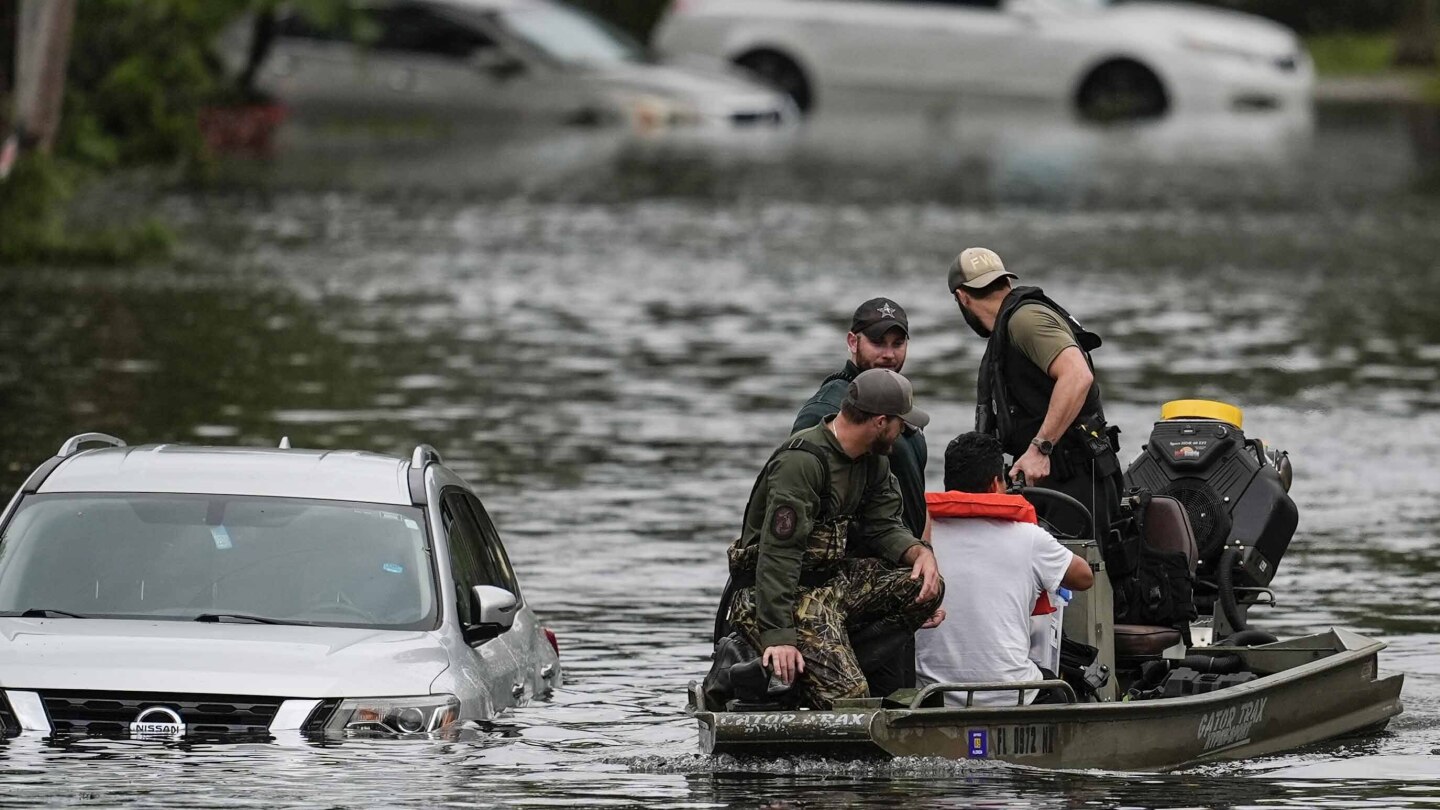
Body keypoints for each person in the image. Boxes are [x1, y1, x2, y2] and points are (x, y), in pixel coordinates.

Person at [725, 369, 944, 709]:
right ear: (881, 422)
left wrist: (920, 553)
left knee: (924, 586)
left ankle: (829, 662)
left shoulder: (873, 461)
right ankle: (751, 671)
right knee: (850, 701)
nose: (905, 431)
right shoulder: (802, 462)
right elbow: (778, 556)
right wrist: (779, 636)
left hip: (830, 587)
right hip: (770, 596)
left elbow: (884, 526)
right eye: (902, 423)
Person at [947, 246, 1124, 548]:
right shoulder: (1011, 325)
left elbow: (1077, 376)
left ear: (962, 297)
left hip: (1076, 480)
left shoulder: (1024, 320)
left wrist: (1041, 448)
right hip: (1054, 481)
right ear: (1005, 282)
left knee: (1074, 590)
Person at [915, 432, 1094, 706]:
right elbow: (1084, 577)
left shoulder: (918, 538)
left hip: (932, 697)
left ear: (947, 484)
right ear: (995, 483)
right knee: (1068, 684)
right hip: (1013, 694)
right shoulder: (1029, 537)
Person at [793, 297, 930, 542]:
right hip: (858, 570)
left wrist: (924, 551)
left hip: (905, 559)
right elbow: (797, 502)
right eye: (878, 343)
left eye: (897, 344)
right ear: (853, 342)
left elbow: (917, 496)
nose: (889, 354)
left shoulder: (904, 409)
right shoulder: (825, 411)